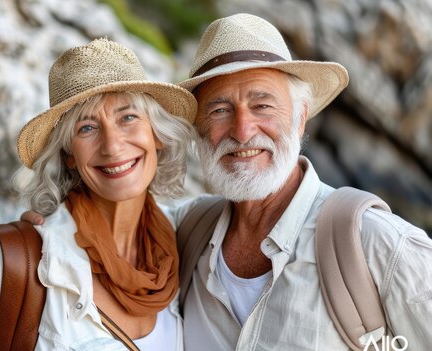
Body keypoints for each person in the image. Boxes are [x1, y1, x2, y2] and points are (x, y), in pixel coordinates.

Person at [0, 38, 197, 350]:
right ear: (68, 155)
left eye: (128, 117)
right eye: (87, 128)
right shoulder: (7, 262)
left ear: (156, 134)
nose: (113, 146)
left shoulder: (184, 242)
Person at [174, 13, 432, 350]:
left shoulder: (383, 245)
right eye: (219, 110)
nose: (242, 130)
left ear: (300, 119)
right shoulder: (186, 235)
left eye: (262, 105)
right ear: (199, 130)